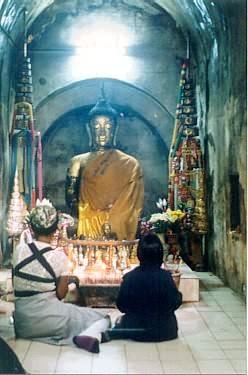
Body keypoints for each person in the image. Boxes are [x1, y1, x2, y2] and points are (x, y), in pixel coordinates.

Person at [12, 199, 111, 353]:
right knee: (102, 317)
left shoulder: (18, 251)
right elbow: (60, 294)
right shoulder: (59, 257)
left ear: (31, 228)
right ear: (55, 230)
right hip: (52, 320)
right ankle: (89, 336)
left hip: (22, 324)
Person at [65, 90, 144, 240]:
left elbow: (133, 207)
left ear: (115, 129)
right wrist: (91, 216)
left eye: (108, 126)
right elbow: (71, 198)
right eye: (96, 126)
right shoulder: (77, 161)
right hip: (86, 225)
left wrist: (111, 219)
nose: (102, 132)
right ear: (89, 129)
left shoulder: (130, 164)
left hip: (117, 229)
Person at [104, 233, 182, 342]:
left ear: (139, 254)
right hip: (166, 331)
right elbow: (175, 302)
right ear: (160, 254)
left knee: (116, 323)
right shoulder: (166, 277)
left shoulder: (130, 278)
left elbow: (121, 305)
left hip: (137, 331)